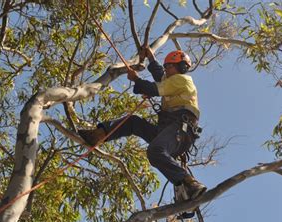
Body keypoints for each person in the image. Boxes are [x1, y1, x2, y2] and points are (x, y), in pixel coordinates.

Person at [78, 47, 206, 210]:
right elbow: (160, 75)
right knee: (133, 123)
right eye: (166, 67)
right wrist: (151, 58)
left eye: (169, 66)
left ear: (180, 67)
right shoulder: (170, 81)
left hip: (179, 130)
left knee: (155, 151)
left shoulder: (181, 80)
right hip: (167, 131)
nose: (166, 70)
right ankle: (99, 134)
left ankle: (189, 183)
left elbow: (154, 88)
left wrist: (137, 80)